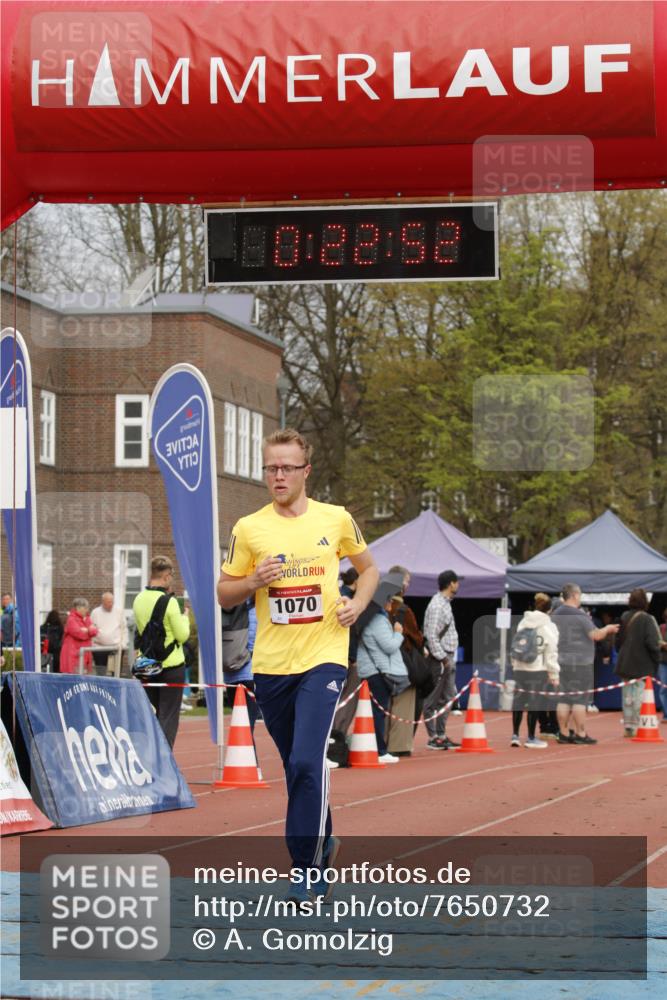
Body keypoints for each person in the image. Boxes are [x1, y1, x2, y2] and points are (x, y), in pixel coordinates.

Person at [217, 427, 379, 903]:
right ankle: (323, 837)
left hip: (324, 657)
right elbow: (223, 590)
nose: (279, 475)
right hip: (270, 665)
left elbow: (369, 569)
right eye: (272, 467)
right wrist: (251, 581)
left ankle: (305, 867)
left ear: (306, 471)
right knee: (295, 769)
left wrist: (358, 604)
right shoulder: (249, 528)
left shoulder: (336, 519)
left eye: (288, 467)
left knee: (310, 761)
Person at [133, 555, 191, 748]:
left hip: (147, 665)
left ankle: (151, 756)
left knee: (152, 715)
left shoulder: (138, 599)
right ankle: (165, 761)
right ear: (166, 576)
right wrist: (185, 617)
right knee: (169, 716)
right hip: (171, 665)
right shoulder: (170, 602)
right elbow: (182, 635)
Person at [552, 582, 619, 745]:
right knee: (579, 700)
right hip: (580, 663)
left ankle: (563, 733)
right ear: (574, 595)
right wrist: (608, 628)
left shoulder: (555, 614)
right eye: (580, 595)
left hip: (561, 661)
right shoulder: (579, 615)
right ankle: (580, 733)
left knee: (563, 699)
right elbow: (595, 635)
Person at [355, 576, 410, 764]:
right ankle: (379, 749)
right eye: (389, 599)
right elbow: (389, 646)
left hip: (370, 670)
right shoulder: (377, 621)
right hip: (376, 671)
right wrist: (398, 633)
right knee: (377, 712)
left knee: (373, 711)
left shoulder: (371, 618)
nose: (391, 603)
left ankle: (376, 747)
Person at [509, 593, 560, 749]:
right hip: (536, 667)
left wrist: (514, 665)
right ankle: (531, 737)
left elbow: (516, 643)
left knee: (518, 701)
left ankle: (515, 735)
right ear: (549, 610)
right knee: (534, 703)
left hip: (519, 666)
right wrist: (553, 673)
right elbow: (551, 651)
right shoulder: (549, 626)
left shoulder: (523, 622)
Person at [422, 570, 462, 750]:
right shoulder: (437, 605)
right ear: (451, 584)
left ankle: (440, 734)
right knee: (433, 698)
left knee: (447, 697)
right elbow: (431, 635)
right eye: (456, 582)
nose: (458, 585)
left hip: (446, 655)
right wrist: (444, 658)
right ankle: (433, 737)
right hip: (441, 657)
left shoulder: (444, 603)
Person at [614, 589, 662, 737]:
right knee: (641, 695)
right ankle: (639, 725)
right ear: (644, 602)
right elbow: (653, 643)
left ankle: (629, 726)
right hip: (642, 664)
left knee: (627, 696)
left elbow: (618, 641)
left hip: (625, 663)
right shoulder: (648, 619)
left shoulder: (624, 616)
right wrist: (657, 658)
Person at [330, 567, 361, 741]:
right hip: (345, 656)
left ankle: (334, 735)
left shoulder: (338, 595)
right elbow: (348, 632)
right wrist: (353, 658)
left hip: (337, 654)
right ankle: (337, 735)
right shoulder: (348, 601)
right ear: (356, 582)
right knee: (346, 699)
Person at [222, 596, 259, 732]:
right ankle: (248, 754)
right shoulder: (254, 610)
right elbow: (253, 640)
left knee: (239, 724)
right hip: (249, 673)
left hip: (230, 674)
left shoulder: (226, 607)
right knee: (247, 729)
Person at [90, 592, 127, 676]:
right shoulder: (95, 612)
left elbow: (124, 628)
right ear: (103, 602)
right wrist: (93, 644)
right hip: (99, 647)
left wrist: (123, 643)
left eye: (112, 602)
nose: (110, 604)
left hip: (115, 646)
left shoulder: (119, 611)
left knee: (116, 672)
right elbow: (91, 628)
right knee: (101, 672)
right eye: (108, 602)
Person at [60, 598, 98, 673]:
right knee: (74, 678)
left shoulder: (87, 618)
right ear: (78, 608)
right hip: (73, 655)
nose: (87, 610)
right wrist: (89, 630)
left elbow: (95, 631)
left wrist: (87, 630)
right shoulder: (71, 619)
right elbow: (78, 634)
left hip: (85, 654)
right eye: (85, 608)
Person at [659, 609, 667, 722]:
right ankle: (666, 715)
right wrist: (664, 645)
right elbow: (656, 641)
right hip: (663, 662)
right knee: (663, 689)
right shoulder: (661, 628)